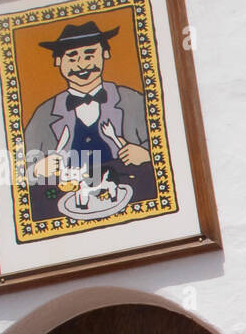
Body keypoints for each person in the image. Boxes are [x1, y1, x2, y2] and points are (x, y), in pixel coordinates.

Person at [22, 20, 153, 216]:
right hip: (68, 201)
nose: (82, 65)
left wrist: (147, 154)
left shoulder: (132, 101)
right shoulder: (43, 114)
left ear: (105, 54)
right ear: (58, 61)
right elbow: (15, 173)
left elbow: (170, 151)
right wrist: (34, 170)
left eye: (89, 55)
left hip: (127, 195)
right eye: (72, 58)